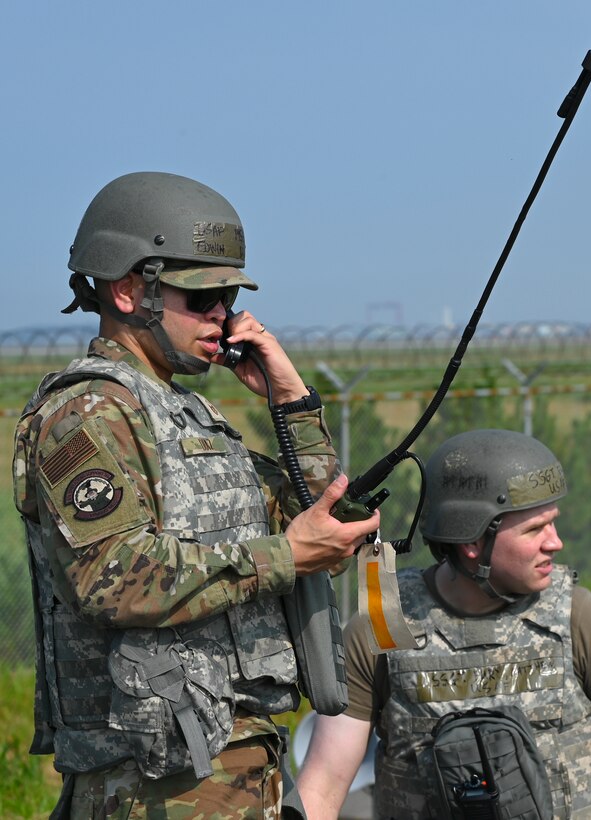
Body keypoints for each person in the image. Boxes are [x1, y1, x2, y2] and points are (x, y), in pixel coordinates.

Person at [12, 171, 379, 819]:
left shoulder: (194, 419)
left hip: (238, 769)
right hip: (155, 782)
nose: (223, 315)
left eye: (229, 295)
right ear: (129, 291)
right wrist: (281, 558)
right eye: (201, 297)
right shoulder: (90, 413)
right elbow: (111, 577)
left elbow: (328, 529)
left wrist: (291, 403)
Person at [297, 429, 591, 819]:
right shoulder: (383, 622)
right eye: (534, 529)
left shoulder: (576, 617)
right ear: (471, 543)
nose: (555, 542)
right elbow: (325, 783)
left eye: (552, 523)